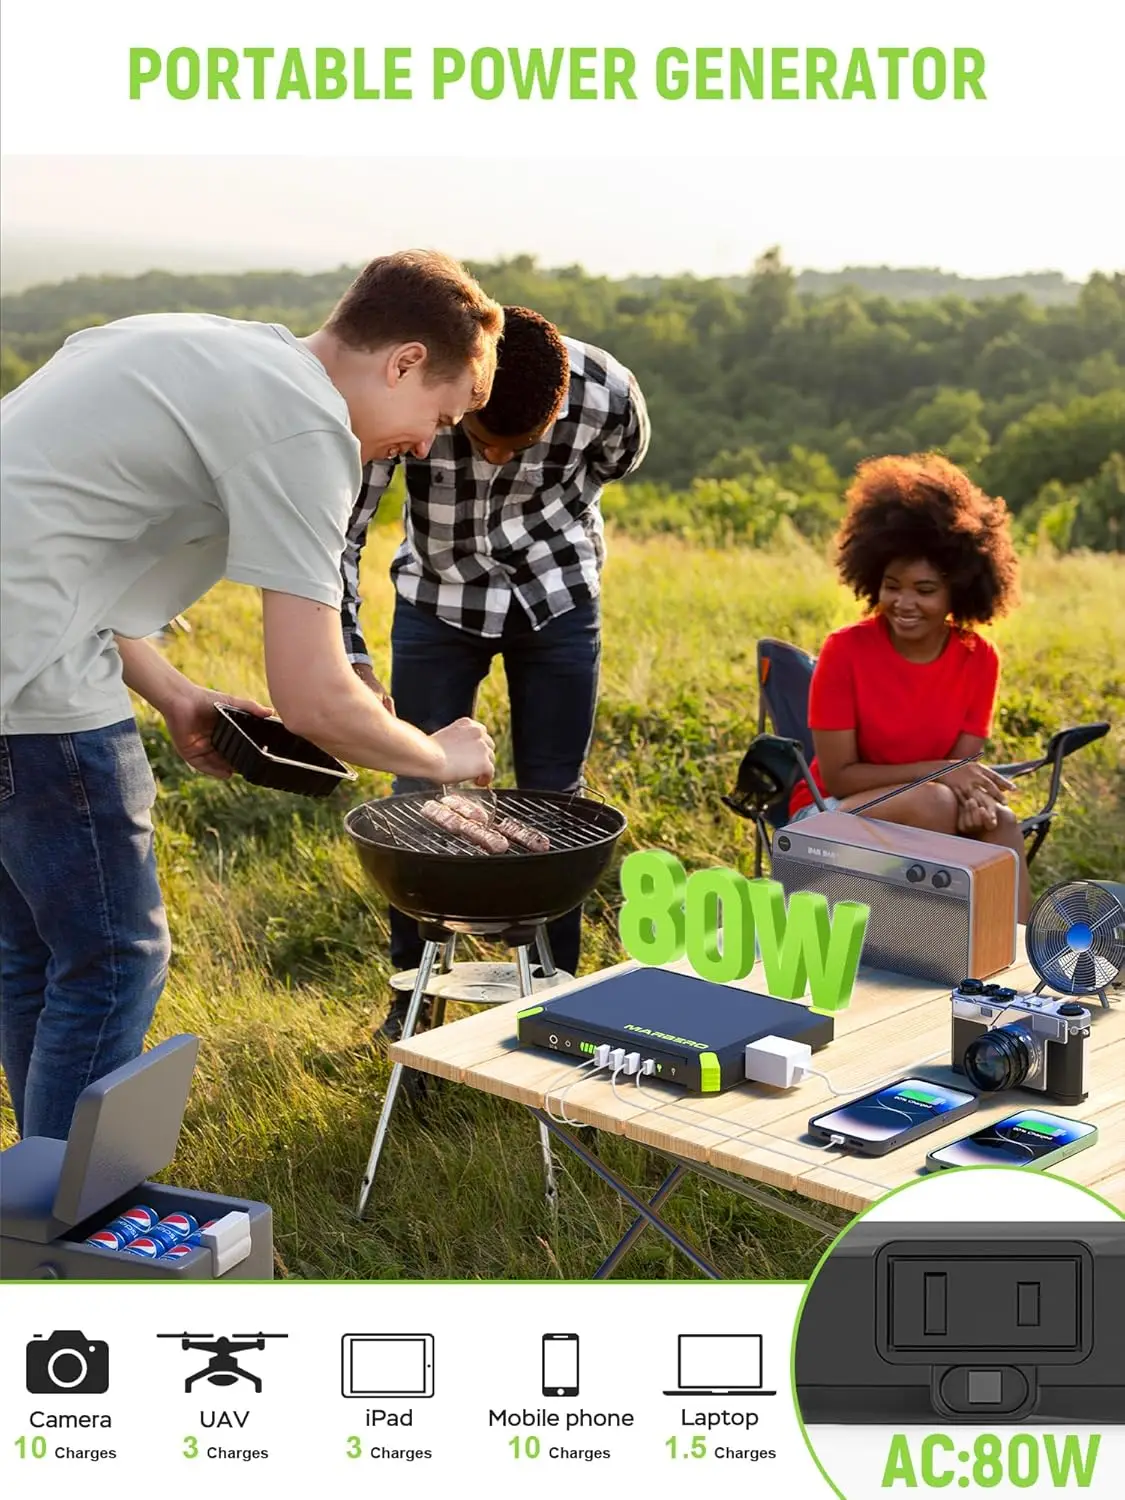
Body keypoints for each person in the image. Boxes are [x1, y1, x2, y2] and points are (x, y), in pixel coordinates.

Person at [0, 250, 503, 1141]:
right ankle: (60, 1234)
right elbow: (312, 697)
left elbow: (58, 547)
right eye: (440, 414)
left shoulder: (201, 343)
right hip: (36, 701)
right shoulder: (307, 429)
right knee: (117, 960)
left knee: (36, 953)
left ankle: (33, 1210)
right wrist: (440, 757)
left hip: (25, 669)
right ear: (404, 362)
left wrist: (176, 692)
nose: (426, 444)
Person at [340, 306, 650, 1038]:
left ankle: (553, 1001)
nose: (499, 461)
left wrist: (555, 513)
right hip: (438, 599)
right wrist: (351, 650)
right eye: (482, 442)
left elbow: (620, 460)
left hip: (559, 593)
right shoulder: (420, 388)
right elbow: (347, 530)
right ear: (465, 396)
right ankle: (415, 1009)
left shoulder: (608, 390)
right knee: (418, 795)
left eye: (522, 447)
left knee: (559, 802)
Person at [787, 452, 1030, 919]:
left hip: (927, 802)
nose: (903, 603)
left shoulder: (979, 659)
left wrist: (975, 798)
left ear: (957, 592)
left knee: (1001, 824)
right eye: (892, 585)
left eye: (924, 589)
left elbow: (964, 765)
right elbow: (839, 777)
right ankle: (927, 936)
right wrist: (942, 774)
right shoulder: (845, 651)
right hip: (826, 817)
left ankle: (1015, 970)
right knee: (936, 801)